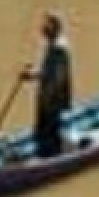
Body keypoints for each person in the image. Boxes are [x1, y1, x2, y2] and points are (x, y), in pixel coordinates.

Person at [22, 13, 73, 158]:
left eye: (46, 25)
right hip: (47, 95)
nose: (42, 29)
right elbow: (47, 71)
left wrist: (50, 97)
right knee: (42, 129)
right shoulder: (52, 44)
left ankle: (51, 156)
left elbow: (58, 76)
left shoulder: (59, 49)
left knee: (49, 130)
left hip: (52, 98)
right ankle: (45, 152)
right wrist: (32, 75)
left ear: (54, 28)